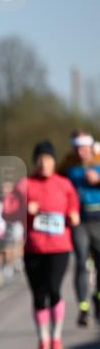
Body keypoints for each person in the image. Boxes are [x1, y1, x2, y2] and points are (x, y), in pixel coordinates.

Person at [3, 140, 80, 349]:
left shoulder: (64, 185)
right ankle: (43, 341)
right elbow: (6, 213)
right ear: (35, 161)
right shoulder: (24, 185)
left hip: (59, 248)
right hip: (34, 249)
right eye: (40, 159)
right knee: (38, 295)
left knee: (55, 290)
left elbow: (73, 209)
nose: (44, 163)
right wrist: (23, 210)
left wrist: (73, 216)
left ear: (54, 161)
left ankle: (56, 339)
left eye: (48, 159)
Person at [65, 133, 100, 326]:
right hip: (80, 221)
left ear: (91, 148)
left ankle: (98, 298)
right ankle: (83, 307)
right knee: (80, 262)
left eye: (84, 148)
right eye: (77, 148)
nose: (81, 152)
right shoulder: (70, 169)